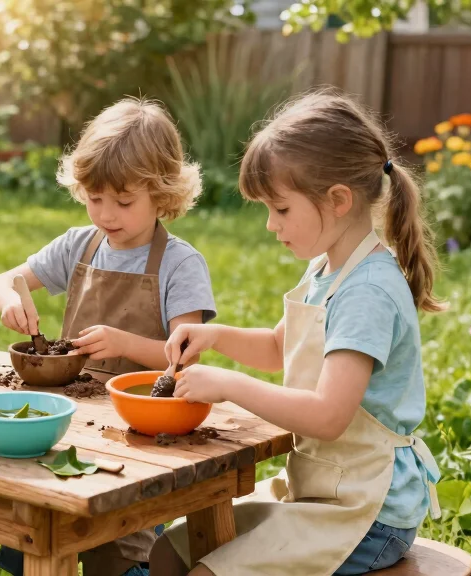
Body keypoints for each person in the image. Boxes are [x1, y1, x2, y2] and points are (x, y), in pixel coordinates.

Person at [150, 90, 443, 576]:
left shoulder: (367, 292)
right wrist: (216, 335)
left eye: (281, 209)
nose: (271, 225)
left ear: (338, 200)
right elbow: (276, 348)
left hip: (367, 510)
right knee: (171, 552)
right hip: (321, 490)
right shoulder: (327, 267)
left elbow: (328, 416)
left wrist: (228, 386)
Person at [0, 97, 218, 576]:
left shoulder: (180, 264)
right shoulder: (78, 244)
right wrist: (10, 295)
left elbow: (185, 358)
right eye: (95, 199)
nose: (107, 214)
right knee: (37, 520)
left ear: (163, 193)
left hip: (141, 430)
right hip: (72, 416)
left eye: (124, 201)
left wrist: (125, 343)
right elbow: (3, 280)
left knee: (117, 547)